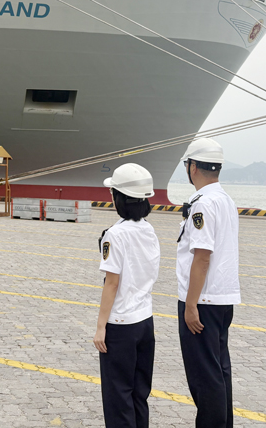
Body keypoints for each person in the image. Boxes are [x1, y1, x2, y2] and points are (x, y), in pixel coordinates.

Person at [176, 138, 240, 428]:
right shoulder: (226, 200)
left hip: (202, 300)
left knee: (204, 377)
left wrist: (191, 305)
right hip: (222, 299)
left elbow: (202, 257)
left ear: (193, 167)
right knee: (219, 371)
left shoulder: (202, 204)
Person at [93, 163, 160, 428]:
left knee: (118, 397)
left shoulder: (115, 234)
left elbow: (112, 284)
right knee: (139, 394)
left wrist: (101, 327)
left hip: (120, 325)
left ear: (118, 197)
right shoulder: (149, 230)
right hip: (144, 321)